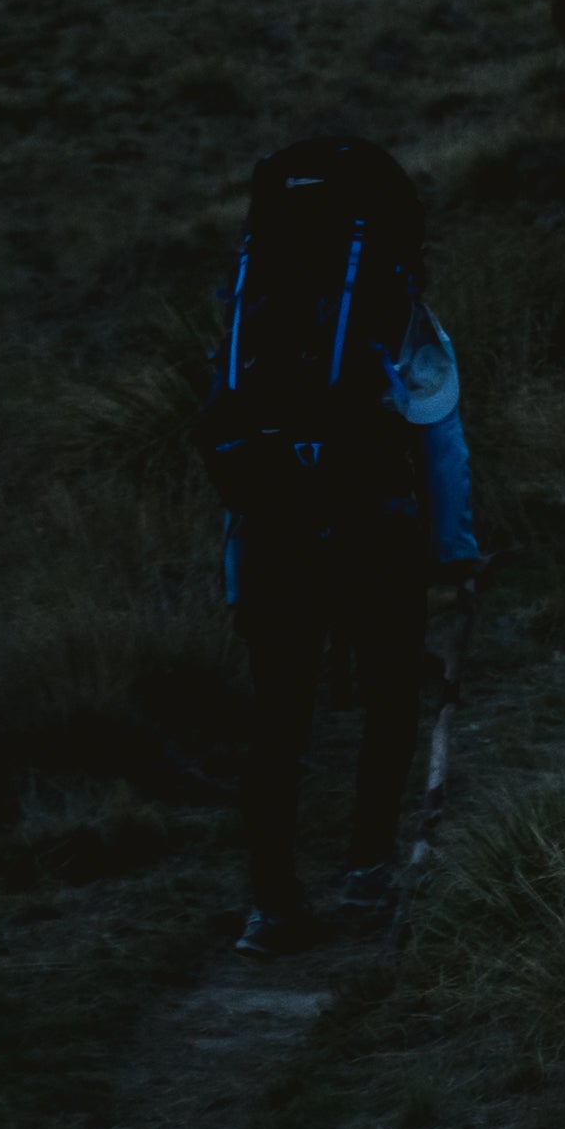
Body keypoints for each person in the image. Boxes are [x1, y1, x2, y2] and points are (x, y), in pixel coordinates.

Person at [203, 137, 480, 956]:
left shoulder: (253, 311)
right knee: (393, 693)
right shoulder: (393, 309)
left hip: (275, 537)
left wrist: (235, 578)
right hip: (373, 526)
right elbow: (439, 437)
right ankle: (367, 869)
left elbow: (232, 444)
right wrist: (457, 553)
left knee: (278, 721)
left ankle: (274, 906)